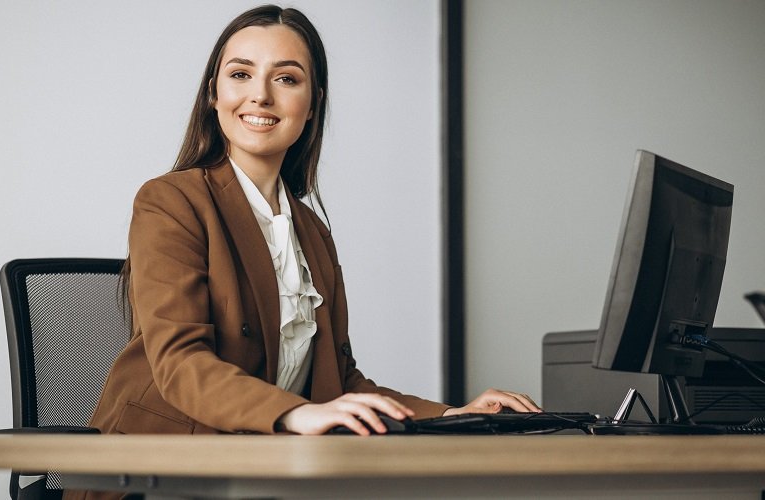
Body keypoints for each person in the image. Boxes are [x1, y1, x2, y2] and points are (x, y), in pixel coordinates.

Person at [72, 7, 539, 495]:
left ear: (313, 103)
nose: (260, 95)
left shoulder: (311, 231)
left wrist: (452, 415)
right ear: (214, 93)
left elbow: (342, 383)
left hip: (261, 475)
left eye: (286, 79)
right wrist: (297, 413)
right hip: (156, 475)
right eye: (240, 74)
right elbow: (181, 363)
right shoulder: (171, 200)